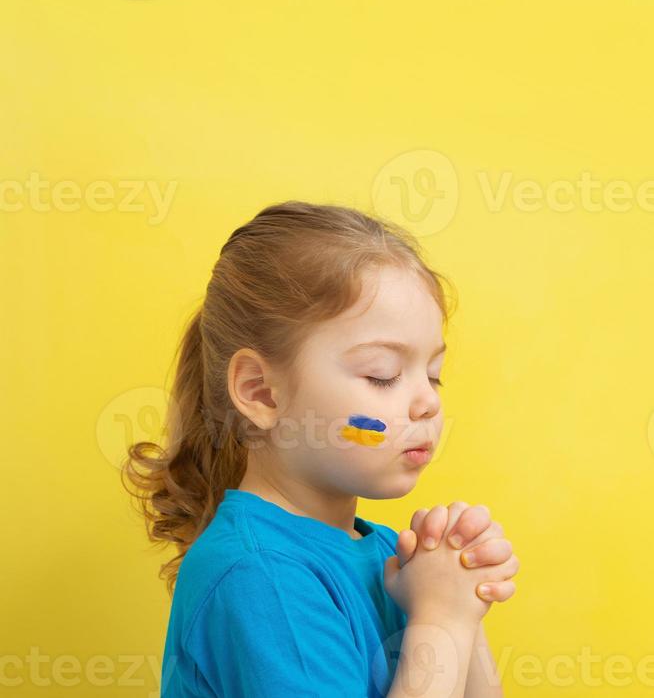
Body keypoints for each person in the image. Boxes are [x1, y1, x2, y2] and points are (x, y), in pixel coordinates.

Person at [122, 200, 519, 697]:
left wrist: (462, 598)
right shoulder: (263, 576)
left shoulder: (386, 556)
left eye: (433, 375)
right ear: (261, 393)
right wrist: (441, 619)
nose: (427, 404)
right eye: (383, 375)